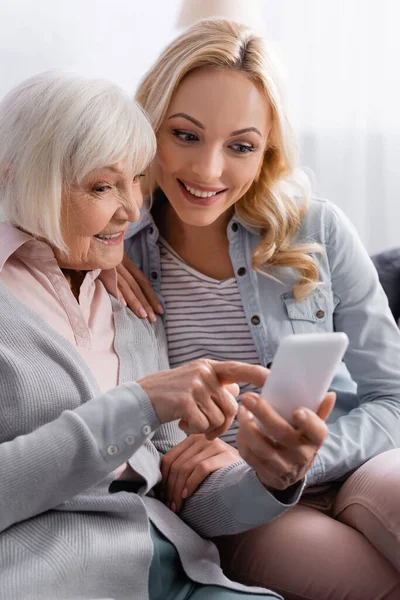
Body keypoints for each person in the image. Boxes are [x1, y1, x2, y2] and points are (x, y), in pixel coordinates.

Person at [0, 70, 333, 600]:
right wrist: (139, 403)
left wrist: (271, 475)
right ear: (13, 178)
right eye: (102, 186)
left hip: (179, 571)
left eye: (136, 178)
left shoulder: (130, 304)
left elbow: (180, 490)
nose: (132, 209)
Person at [117, 18, 400, 600]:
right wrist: (91, 249)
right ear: (148, 126)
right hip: (240, 501)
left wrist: (306, 458)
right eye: (185, 135)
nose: (208, 171)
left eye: (240, 146)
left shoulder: (317, 227)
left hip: (352, 454)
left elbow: (393, 397)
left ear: (267, 149)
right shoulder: (110, 248)